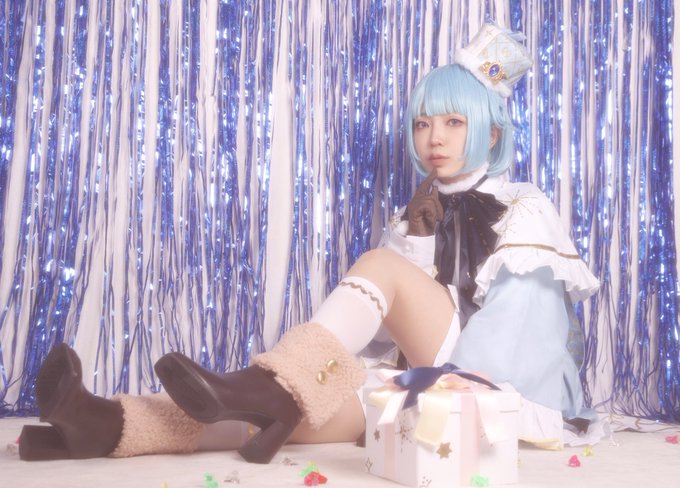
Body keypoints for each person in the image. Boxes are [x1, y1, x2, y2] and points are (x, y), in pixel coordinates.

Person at [18, 24, 599, 464]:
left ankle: (268, 382)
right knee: (294, 409)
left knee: (373, 273)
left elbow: (518, 339)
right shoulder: (416, 211)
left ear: (492, 132)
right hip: (420, 379)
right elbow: (377, 337)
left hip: (487, 385)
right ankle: (104, 425)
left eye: (454, 123)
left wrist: (435, 359)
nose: (433, 139)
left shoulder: (523, 206)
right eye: (423, 123)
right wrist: (419, 244)